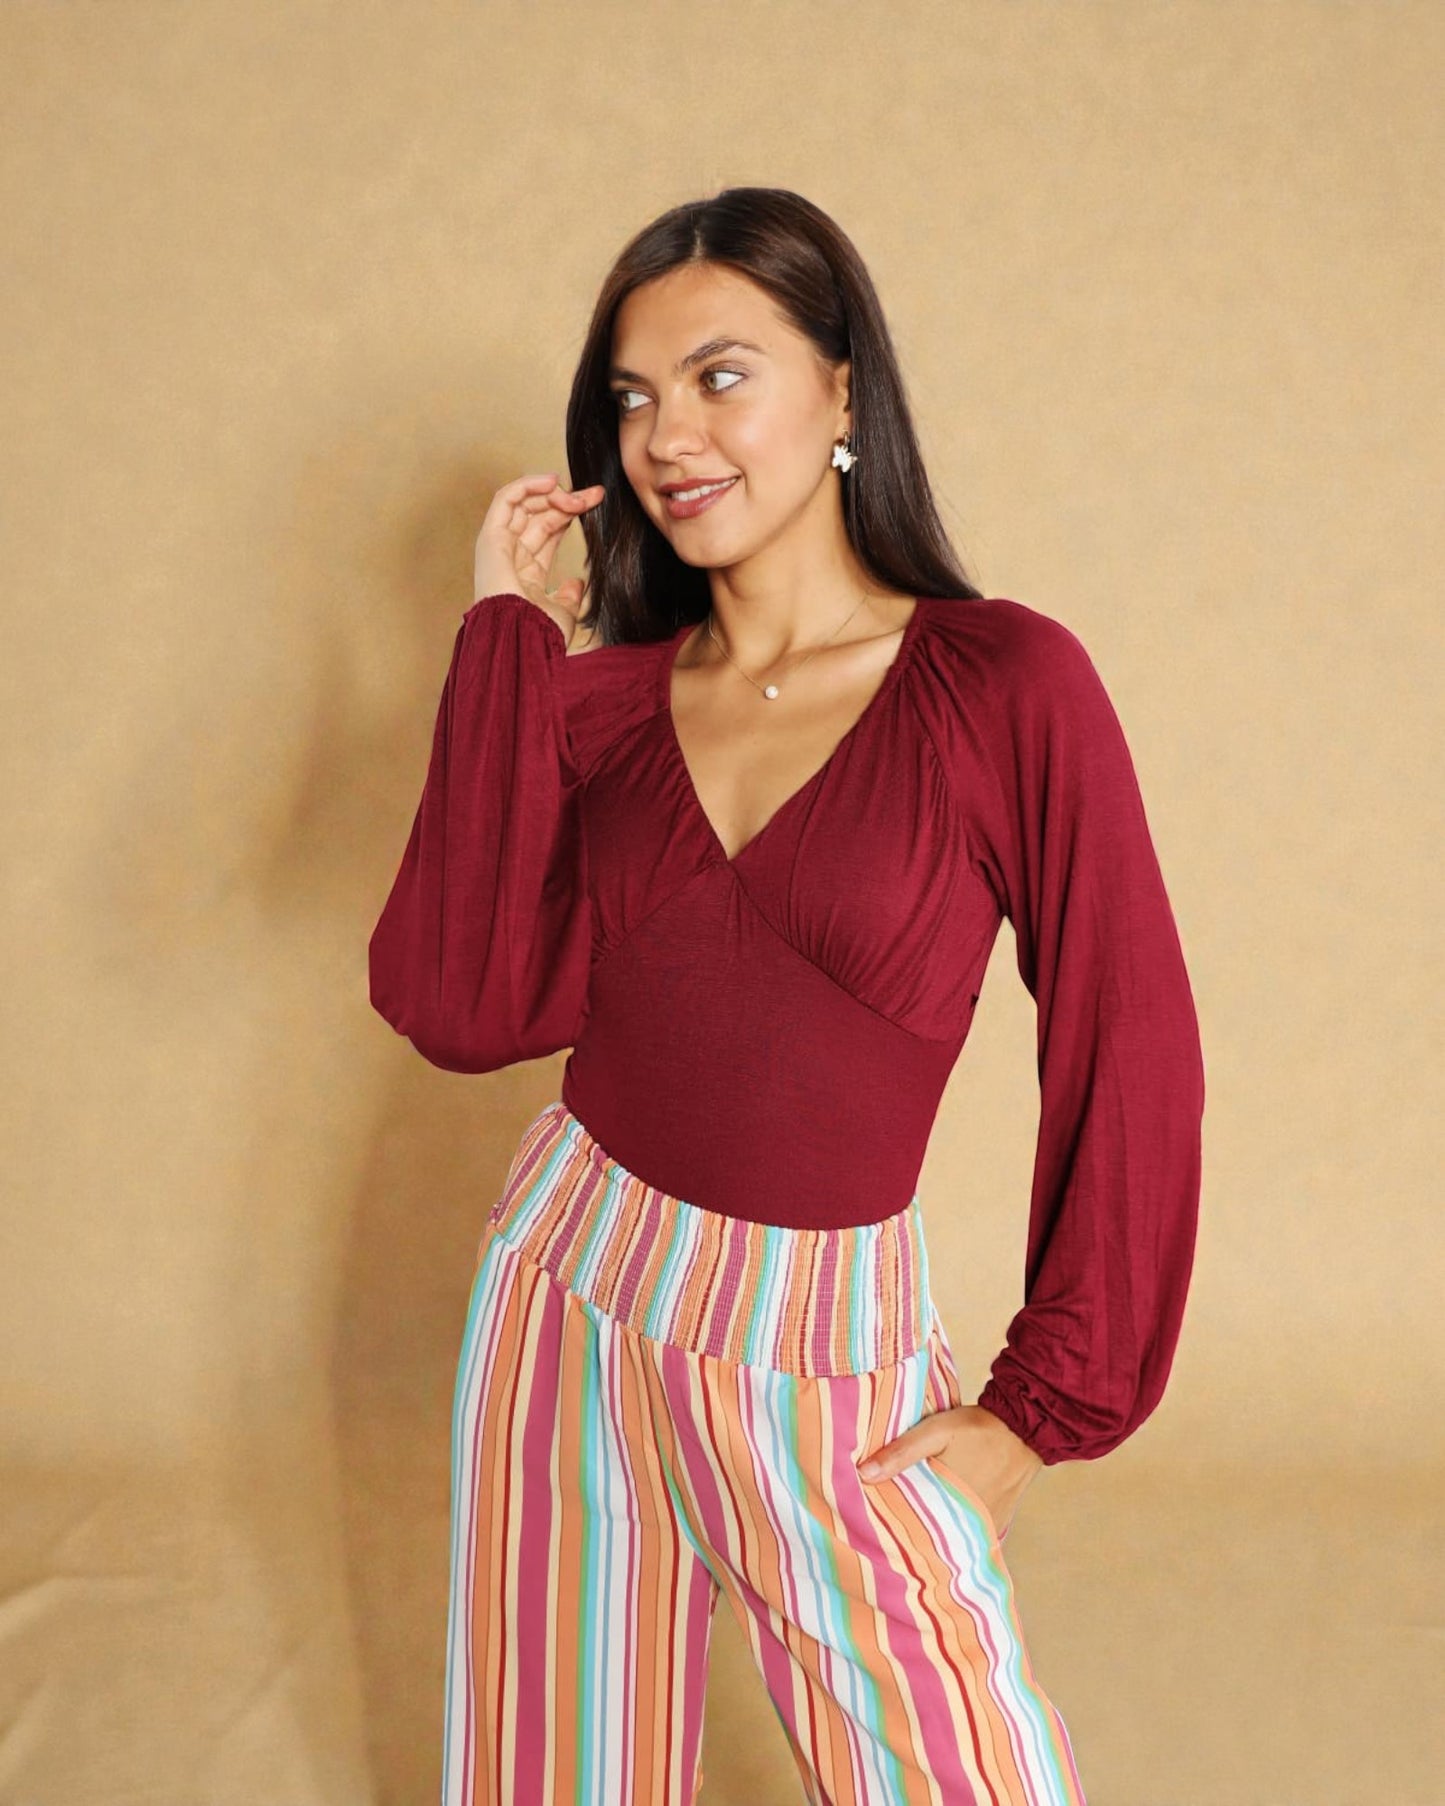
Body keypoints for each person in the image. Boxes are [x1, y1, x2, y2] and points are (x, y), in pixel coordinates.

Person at [368, 187, 1204, 1806]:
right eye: (630, 396)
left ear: (840, 388)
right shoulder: (599, 709)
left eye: (718, 375)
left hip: (819, 1349)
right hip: (566, 1290)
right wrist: (501, 642)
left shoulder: (1001, 685)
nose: (668, 432)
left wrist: (1042, 1406)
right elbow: (459, 1002)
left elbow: (1132, 1038)